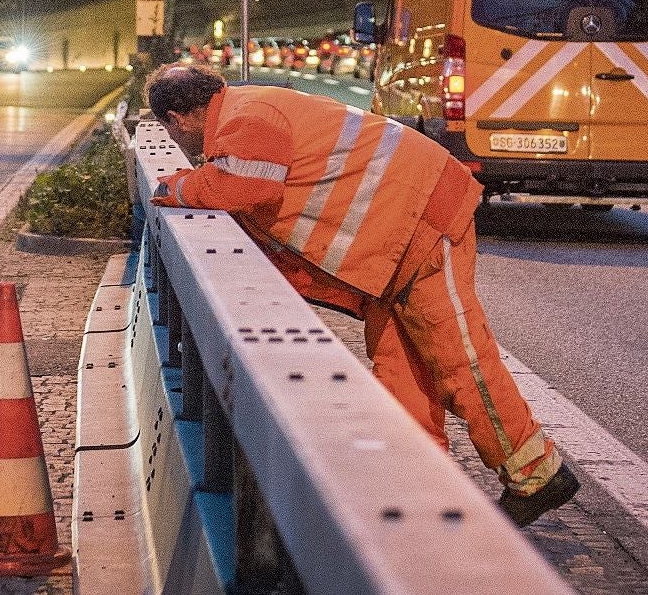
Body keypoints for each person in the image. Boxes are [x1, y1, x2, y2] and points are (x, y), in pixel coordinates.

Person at [145, 64, 580, 526]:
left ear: (177, 119)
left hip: (422, 219)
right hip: (398, 238)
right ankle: (418, 486)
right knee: (402, 371)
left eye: (171, 134)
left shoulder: (245, 119)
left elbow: (241, 186)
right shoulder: (247, 108)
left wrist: (177, 187)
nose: (179, 146)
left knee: (459, 358)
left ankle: (537, 472)